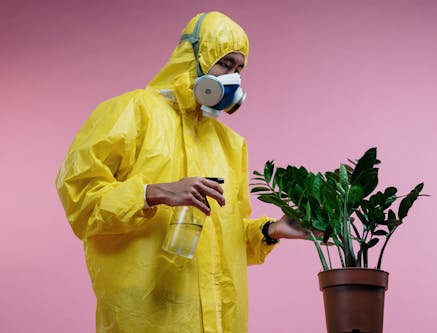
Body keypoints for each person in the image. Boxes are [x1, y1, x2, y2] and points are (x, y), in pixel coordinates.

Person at [56, 11, 307, 333]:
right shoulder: (132, 111)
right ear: (194, 56)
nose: (232, 78)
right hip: (144, 312)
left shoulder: (230, 143)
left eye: (239, 69)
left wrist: (271, 230)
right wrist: (153, 192)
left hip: (221, 319)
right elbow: (81, 201)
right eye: (225, 64)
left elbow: (226, 239)